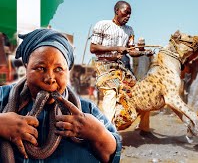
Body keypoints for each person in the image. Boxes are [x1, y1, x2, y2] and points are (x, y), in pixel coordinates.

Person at [0, 29, 121, 162]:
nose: (50, 78)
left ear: (67, 71)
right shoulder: (2, 97)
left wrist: (98, 134)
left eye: (59, 69)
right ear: (26, 66)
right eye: (40, 68)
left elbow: (113, 155)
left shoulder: (87, 111)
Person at [90, 0, 142, 121]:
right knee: (111, 92)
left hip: (120, 67)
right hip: (103, 66)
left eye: (130, 14)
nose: (128, 16)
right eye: (125, 13)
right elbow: (93, 48)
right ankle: (109, 130)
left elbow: (131, 50)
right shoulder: (102, 25)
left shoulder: (129, 30)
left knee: (138, 90)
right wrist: (116, 48)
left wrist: (142, 52)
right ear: (117, 11)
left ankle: (143, 127)